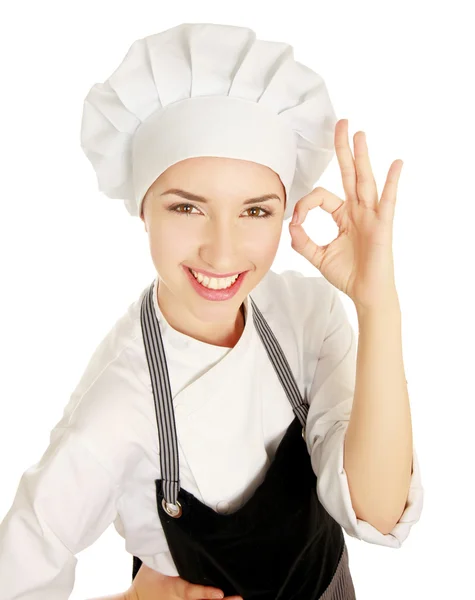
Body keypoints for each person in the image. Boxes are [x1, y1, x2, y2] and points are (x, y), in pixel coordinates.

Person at [0, 23, 424, 600]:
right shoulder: (118, 404)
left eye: (255, 212)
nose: (222, 253)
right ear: (143, 209)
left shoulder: (309, 314)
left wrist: (379, 306)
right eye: (187, 208)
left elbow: (377, 513)